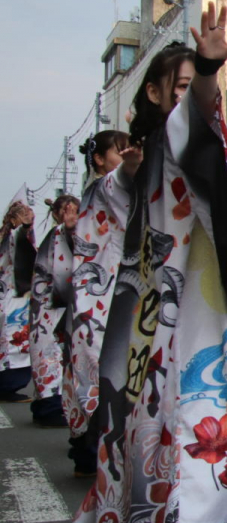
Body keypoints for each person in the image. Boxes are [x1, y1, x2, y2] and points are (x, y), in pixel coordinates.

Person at [73, 9, 227, 523]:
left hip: (151, 326)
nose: (195, 98)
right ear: (155, 95)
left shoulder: (160, 153)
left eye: (195, 86)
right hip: (188, 326)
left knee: (140, 437)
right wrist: (208, 68)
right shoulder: (171, 140)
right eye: (178, 87)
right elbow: (193, 121)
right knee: (200, 445)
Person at [67, 130, 138, 477]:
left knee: (100, 375)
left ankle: (89, 454)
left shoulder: (101, 190)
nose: (127, 154)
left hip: (105, 294)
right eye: (119, 150)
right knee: (103, 375)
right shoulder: (105, 186)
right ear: (99, 159)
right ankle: (97, 457)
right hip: (100, 297)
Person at [28, 194, 79, 427]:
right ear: (59, 213)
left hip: (47, 305)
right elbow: (67, 268)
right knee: (53, 356)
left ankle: (45, 406)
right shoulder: (59, 234)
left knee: (49, 355)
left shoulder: (57, 233)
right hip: (55, 305)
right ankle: (49, 408)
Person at [0, 197, 35, 403]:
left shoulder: (8, 236)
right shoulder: (15, 236)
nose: (30, 216)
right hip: (13, 298)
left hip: (9, 296)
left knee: (11, 344)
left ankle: (7, 385)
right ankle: (8, 386)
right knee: (15, 344)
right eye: (25, 214)